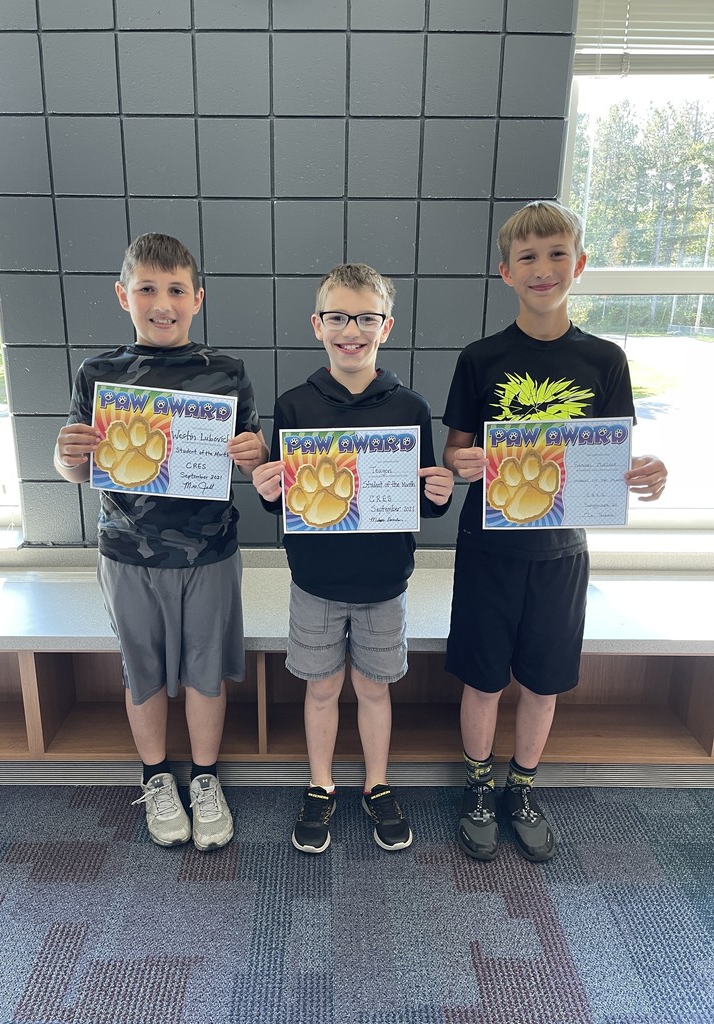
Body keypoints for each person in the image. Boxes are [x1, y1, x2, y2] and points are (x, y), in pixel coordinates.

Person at [442, 201, 667, 863]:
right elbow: (454, 453)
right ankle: (478, 786)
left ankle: (523, 787)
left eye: (556, 254)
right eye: (529, 258)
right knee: (483, 679)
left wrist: (645, 473)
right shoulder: (481, 358)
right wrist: (462, 463)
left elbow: (612, 456)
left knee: (543, 682)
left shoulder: (605, 358)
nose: (543, 269)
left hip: (563, 551)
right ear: (506, 271)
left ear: (580, 264)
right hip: (489, 545)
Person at [54, 233, 268, 851]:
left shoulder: (227, 373)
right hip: (127, 551)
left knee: (206, 671)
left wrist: (255, 457)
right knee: (141, 669)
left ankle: (204, 779)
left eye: (176, 290)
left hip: (209, 552)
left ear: (197, 299)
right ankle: (154, 778)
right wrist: (67, 459)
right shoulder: (99, 375)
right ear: (124, 295)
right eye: (147, 288)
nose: (162, 302)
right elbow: (80, 465)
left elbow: (253, 463)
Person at [253, 263, 454, 854]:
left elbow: (417, 500)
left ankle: (376, 784)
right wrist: (269, 488)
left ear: (385, 327)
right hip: (314, 579)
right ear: (318, 325)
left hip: (384, 580)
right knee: (320, 689)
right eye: (338, 317)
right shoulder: (293, 406)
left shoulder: (410, 406)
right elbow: (285, 504)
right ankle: (320, 786)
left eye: (366, 318)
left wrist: (436, 494)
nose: (352, 330)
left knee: (373, 688)